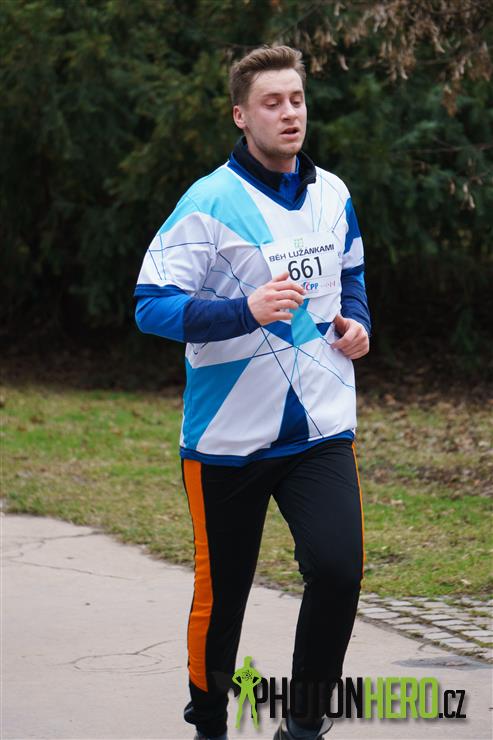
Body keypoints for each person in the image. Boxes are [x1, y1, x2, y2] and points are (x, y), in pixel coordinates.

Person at [134, 45, 370, 740]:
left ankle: (303, 725)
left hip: (320, 427)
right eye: (272, 102)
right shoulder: (207, 202)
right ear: (241, 116)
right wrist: (244, 311)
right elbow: (150, 306)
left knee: (338, 569)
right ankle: (209, 721)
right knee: (224, 596)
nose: (289, 113)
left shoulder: (333, 195)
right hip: (228, 440)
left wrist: (357, 322)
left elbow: (351, 274)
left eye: (296, 99)